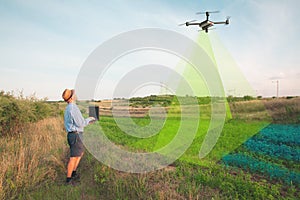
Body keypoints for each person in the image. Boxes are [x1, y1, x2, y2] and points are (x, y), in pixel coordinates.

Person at [62, 89, 95, 184]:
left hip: (74, 135)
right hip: (76, 135)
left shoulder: (69, 107)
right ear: (72, 97)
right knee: (74, 157)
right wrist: (90, 119)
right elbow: (80, 123)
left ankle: (73, 173)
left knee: (79, 154)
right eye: (73, 94)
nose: (75, 95)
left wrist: (87, 121)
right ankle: (69, 180)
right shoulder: (73, 108)